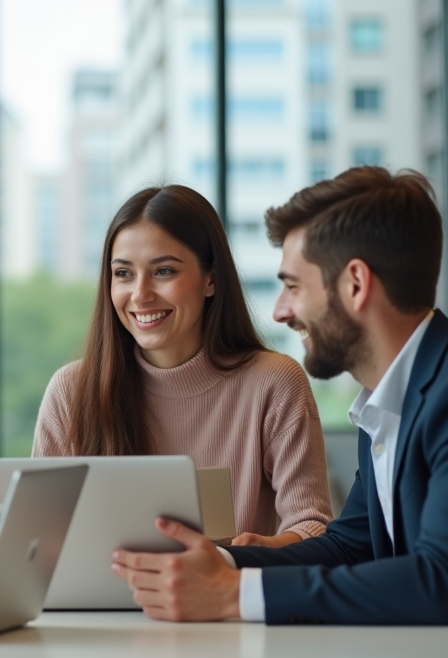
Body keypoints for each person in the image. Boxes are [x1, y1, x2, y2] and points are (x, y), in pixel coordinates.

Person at [109, 166, 448, 658]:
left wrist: (234, 593)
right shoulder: (390, 398)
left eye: (294, 286)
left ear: (355, 284)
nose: (281, 311)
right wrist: (221, 564)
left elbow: (441, 581)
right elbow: (349, 545)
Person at [34, 184, 332, 547]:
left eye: (163, 271)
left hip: (229, 583)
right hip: (98, 587)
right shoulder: (71, 390)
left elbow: (312, 525)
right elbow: (38, 541)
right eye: (124, 274)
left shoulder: (274, 383)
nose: (140, 295)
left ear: (211, 279)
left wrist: (254, 553)